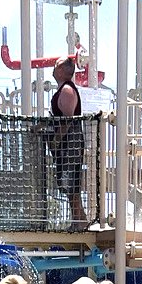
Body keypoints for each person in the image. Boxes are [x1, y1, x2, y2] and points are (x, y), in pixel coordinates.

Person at [49, 55, 88, 228]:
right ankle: (78, 222)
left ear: (62, 70)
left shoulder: (67, 90)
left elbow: (67, 119)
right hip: (67, 146)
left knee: (72, 186)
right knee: (69, 187)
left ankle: (80, 224)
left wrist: (56, 140)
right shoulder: (63, 89)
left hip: (70, 145)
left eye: (56, 65)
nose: (53, 67)